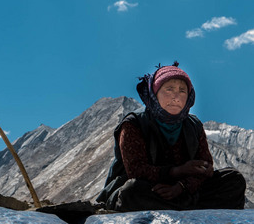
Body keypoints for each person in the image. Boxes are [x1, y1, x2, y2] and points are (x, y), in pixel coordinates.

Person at [96, 62, 246, 211]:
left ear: (189, 96)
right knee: (132, 190)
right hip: (150, 190)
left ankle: (179, 206)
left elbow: (206, 168)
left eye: (182, 91)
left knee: (234, 179)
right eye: (169, 89)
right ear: (154, 94)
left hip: (184, 190)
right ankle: (190, 207)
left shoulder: (194, 126)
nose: (176, 97)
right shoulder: (134, 124)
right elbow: (136, 170)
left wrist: (182, 186)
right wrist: (177, 171)